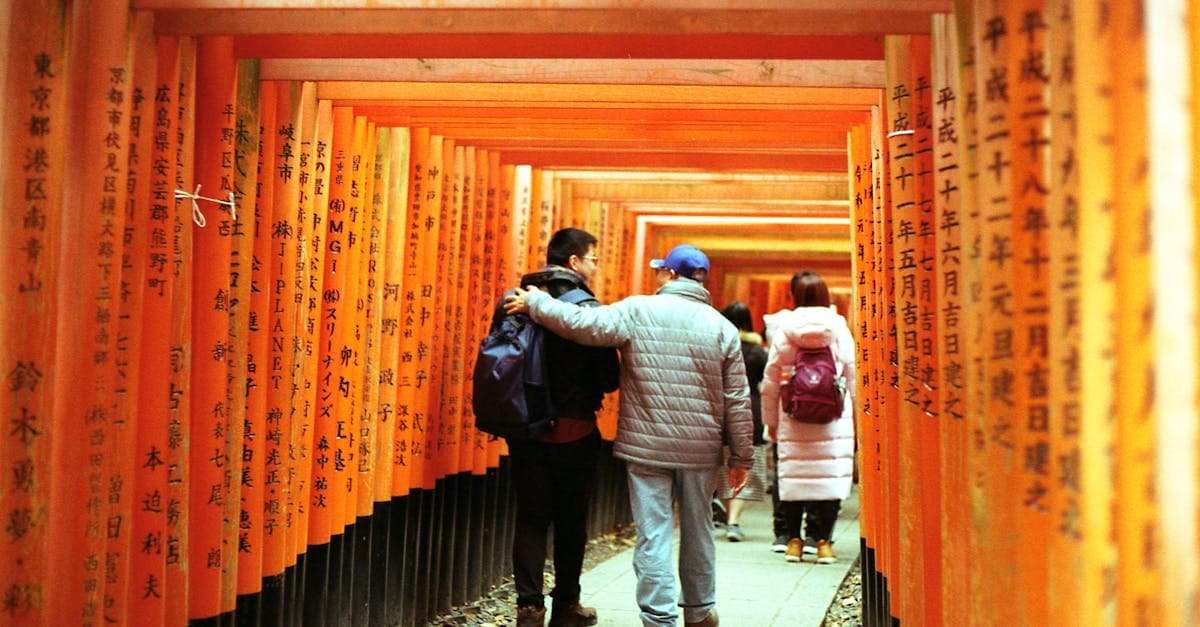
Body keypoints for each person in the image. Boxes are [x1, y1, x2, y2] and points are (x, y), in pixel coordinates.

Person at [505, 243, 753, 627]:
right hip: (700, 450)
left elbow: (583, 325)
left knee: (653, 534)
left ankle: (658, 617)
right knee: (699, 528)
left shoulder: (638, 310)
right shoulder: (721, 327)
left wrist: (537, 303)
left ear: (669, 274)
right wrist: (741, 457)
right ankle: (700, 612)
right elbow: (737, 398)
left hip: (646, 446)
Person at [500, 228, 620, 627]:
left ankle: (529, 608)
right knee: (571, 519)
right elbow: (608, 378)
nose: (595, 266)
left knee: (531, 517)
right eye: (593, 259)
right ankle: (567, 604)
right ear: (574, 263)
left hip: (526, 428)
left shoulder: (514, 300)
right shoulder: (586, 308)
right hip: (574, 428)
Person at [760, 270, 856, 565]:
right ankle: (824, 544)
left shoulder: (785, 326)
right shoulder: (838, 326)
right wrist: (860, 421)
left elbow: (772, 379)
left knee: (793, 479)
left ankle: (793, 542)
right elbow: (852, 373)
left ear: (797, 297)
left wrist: (770, 422)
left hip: (794, 415)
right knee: (828, 480)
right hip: (833, 418)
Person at [713, 302, 768, 543]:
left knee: (722, 464)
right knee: (745, 463)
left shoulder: (716, 345)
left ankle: (728, 517)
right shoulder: (757, 351)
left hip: (717, 407)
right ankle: (733, 521)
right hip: (749, 409)